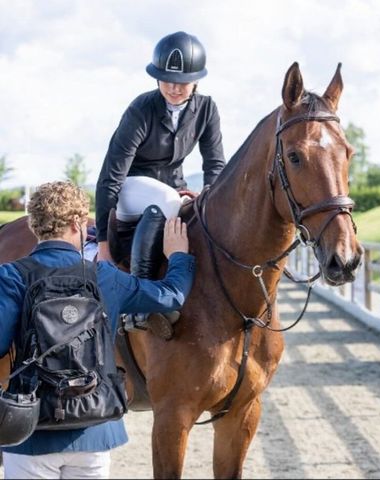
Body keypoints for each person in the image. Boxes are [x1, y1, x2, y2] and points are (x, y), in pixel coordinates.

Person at [0, 181, 195, 479]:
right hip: (94, 427)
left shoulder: (11, 276)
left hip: (30, 432)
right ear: (78, 224)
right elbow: (172, 295)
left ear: (34, 225)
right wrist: (178, 255)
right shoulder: (103, 276)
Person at [95, 31, 225, 335]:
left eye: (181, 82)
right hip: (131, 186)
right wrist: (103, 244)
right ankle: (140, 307)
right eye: (166, 79)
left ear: (196, 81)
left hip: (174, 188)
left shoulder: (207, 109)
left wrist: (212, 201)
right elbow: (111, 174)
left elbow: (215, 165)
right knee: (169, 201)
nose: (173, 88)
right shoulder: (141, 109)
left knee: (192, 208)